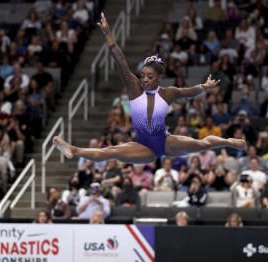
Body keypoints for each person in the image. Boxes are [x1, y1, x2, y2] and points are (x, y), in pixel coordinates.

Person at [53, 12, 246, 164]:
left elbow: (189, 92)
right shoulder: (134, 89)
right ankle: (73, 150)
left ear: (159, 78)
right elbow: (120, 61)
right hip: (143, 146)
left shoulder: (168, 93)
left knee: (203, 144)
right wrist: (108, 34)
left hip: (165, 142)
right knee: (110, 152)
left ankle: (229, 142)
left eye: (150, 76)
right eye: (143, 75)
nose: (144, 79)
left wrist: (204, 86)